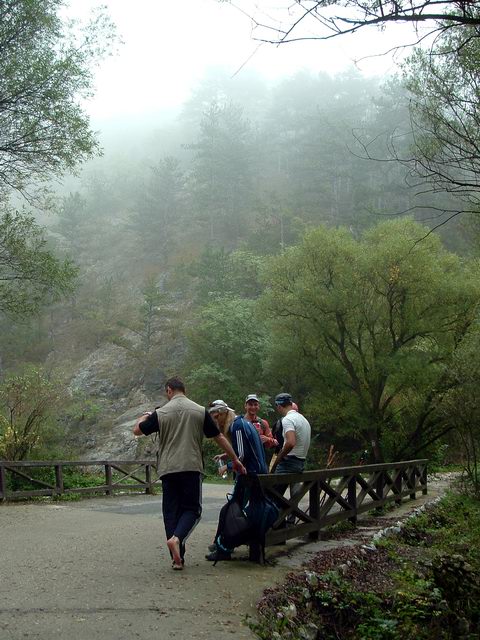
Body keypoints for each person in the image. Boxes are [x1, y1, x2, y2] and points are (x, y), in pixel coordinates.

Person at [133, 377, 246, 571]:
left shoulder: (161, 413)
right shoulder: (199, 411)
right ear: (184, 390)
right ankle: (177, 539)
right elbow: (218, 437)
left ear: (169, 390)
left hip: (168, 469)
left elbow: (137, 431)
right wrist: (235, 459)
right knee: (192, 510)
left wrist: (145, 415)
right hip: (191, 467)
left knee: (171, 512)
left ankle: (178, 559)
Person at [206, 399, 268, 562]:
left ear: (219, 415)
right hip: (255, 474)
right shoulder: (242, 422)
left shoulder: (237, 426)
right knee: (231, 509)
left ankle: (224, 548)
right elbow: (243, 448)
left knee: (230, 511)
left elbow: (241, 455)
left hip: (250, 476)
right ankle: (221, 544)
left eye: (214, 418)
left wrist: (227, 465)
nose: (215, 423)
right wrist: (226, 455)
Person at [271, 393, 311, 527]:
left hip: (288, 462)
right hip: (300, 462)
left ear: (278, 406)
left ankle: (275, 529)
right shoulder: (303, 419)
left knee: (274, 496)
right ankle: (288, 523)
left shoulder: (287, 420)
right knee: (292, 498)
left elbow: (290, 442)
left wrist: (279, 458)